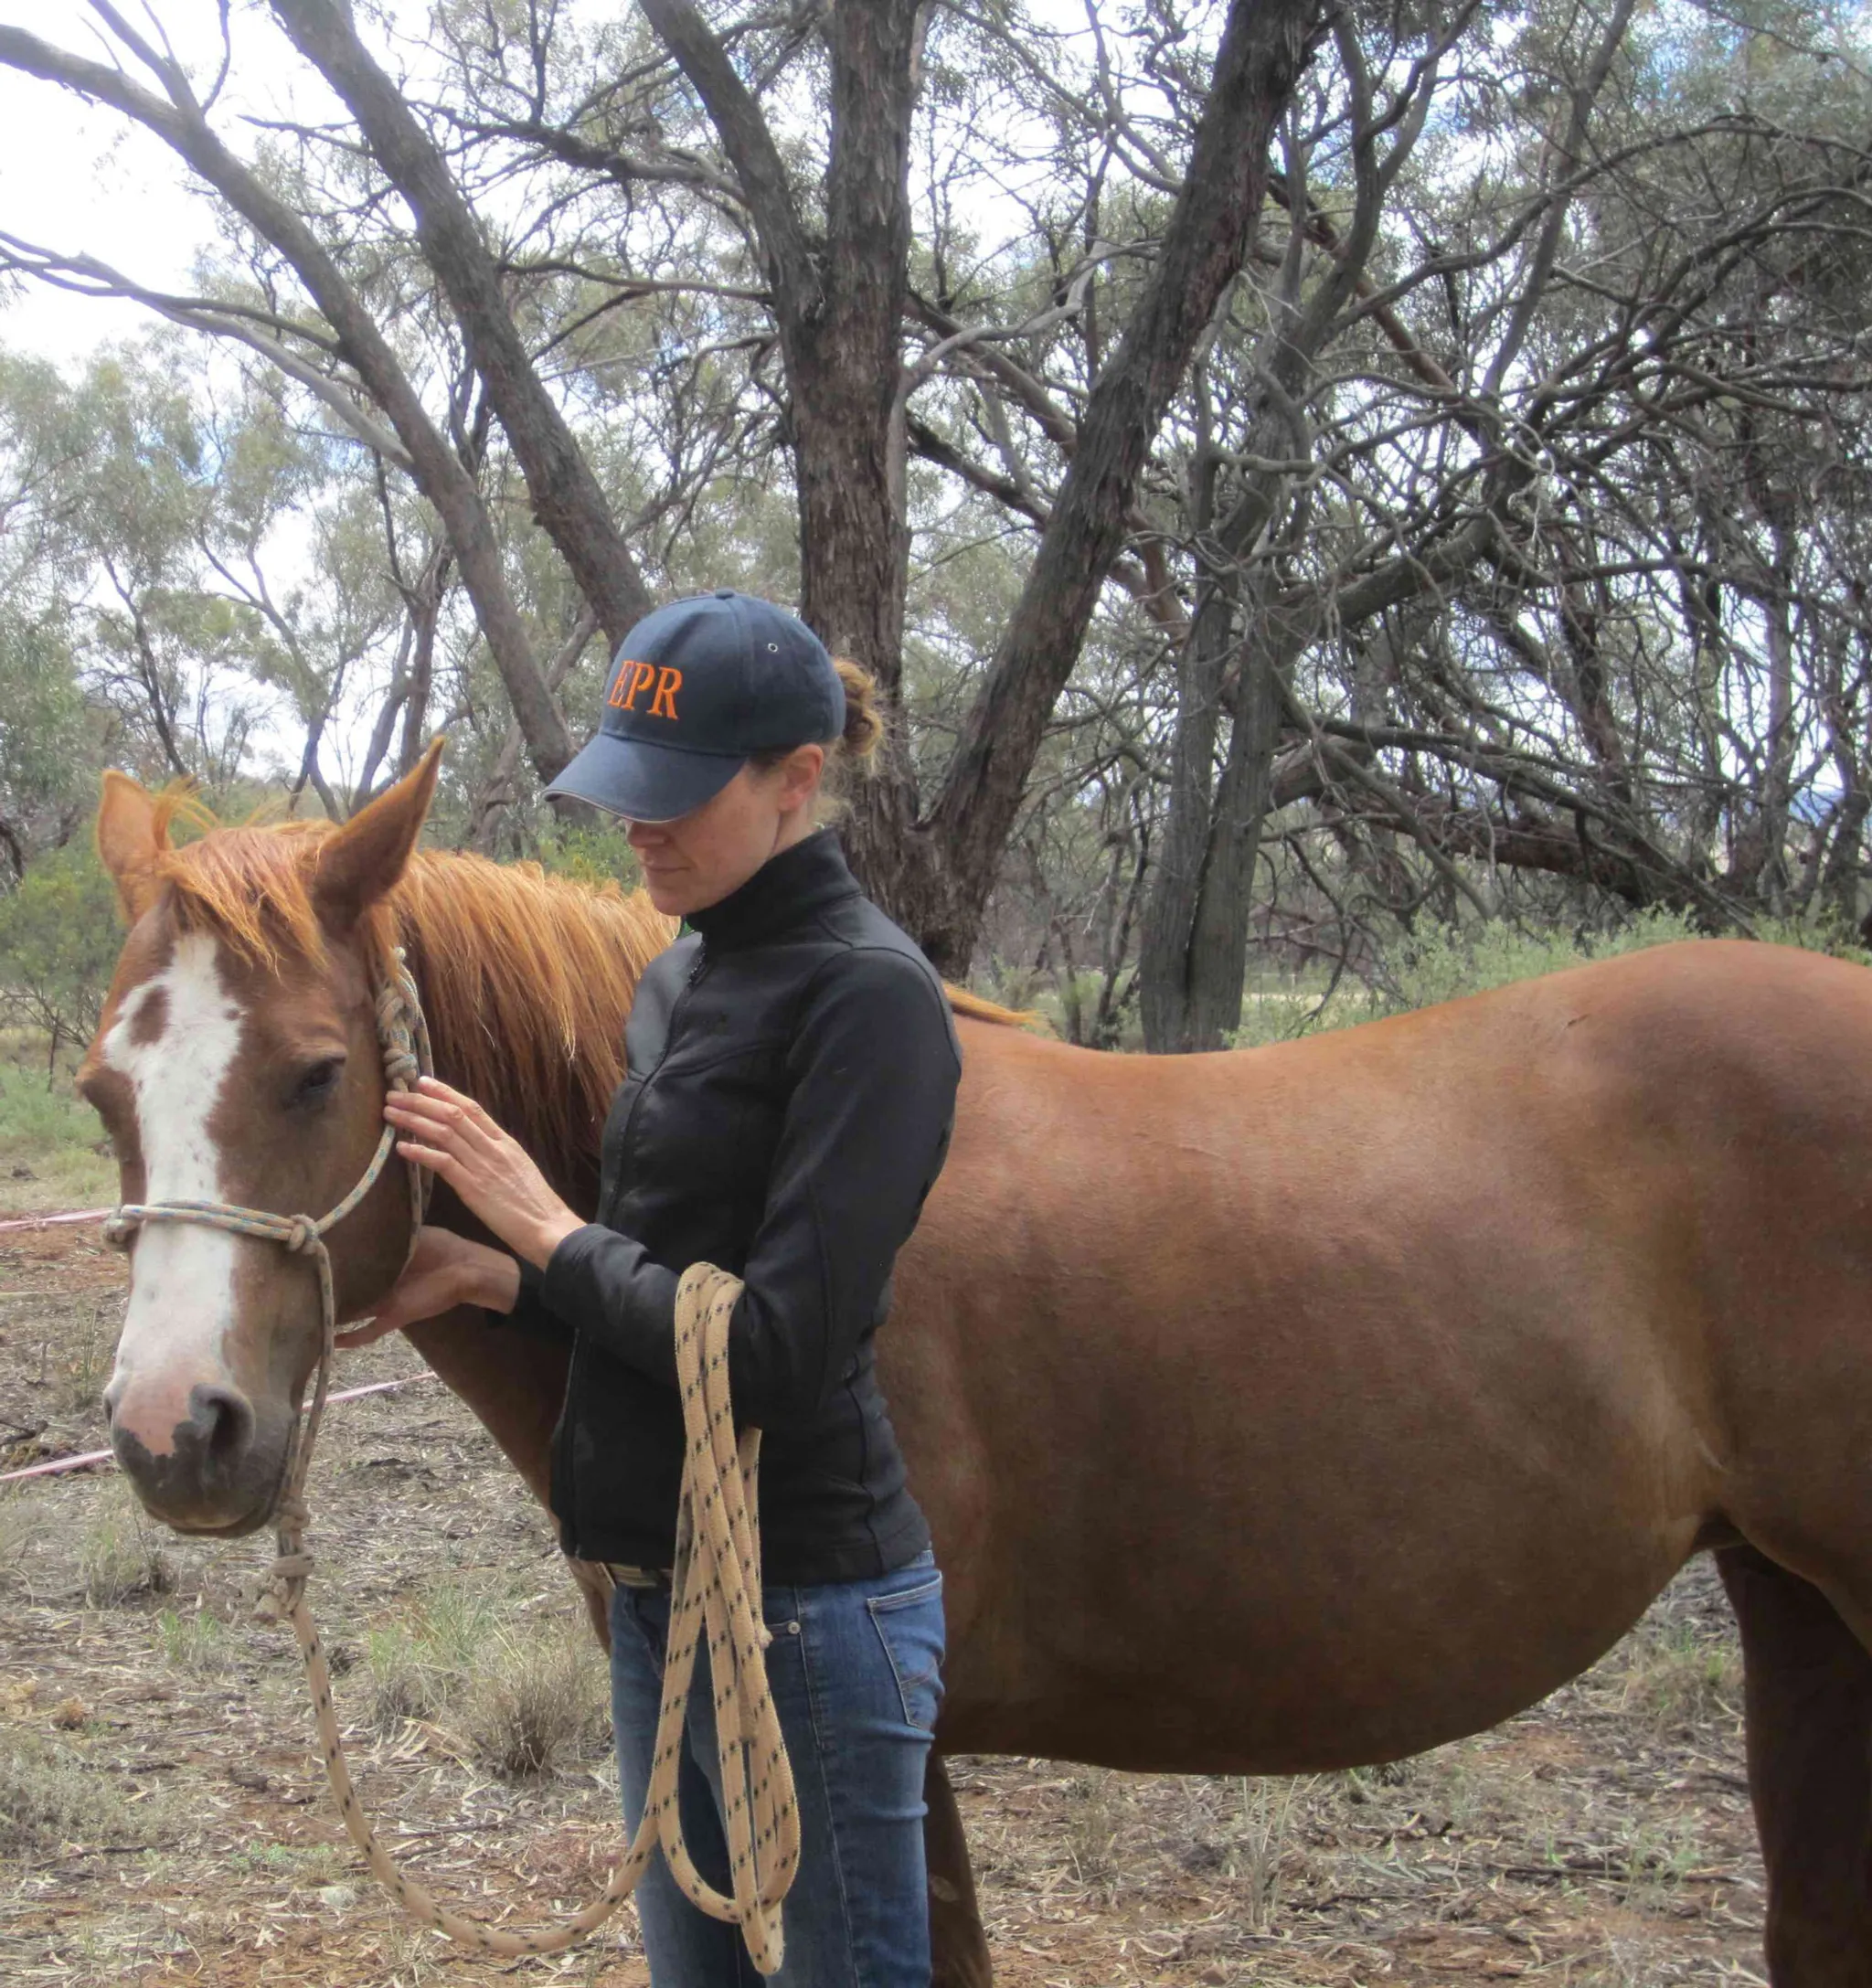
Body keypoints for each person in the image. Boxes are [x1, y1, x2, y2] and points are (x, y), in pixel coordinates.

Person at [344, 590, 962, 1986]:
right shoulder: (675, 981)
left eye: (675, 797)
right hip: (658, 1588)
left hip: (805, 1606)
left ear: (798, 781)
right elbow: (664, 1281)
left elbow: (777, 1349)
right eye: (626, 790)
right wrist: (496, 1274)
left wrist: (547, 1228)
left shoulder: (873, 999)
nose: (636, 825)